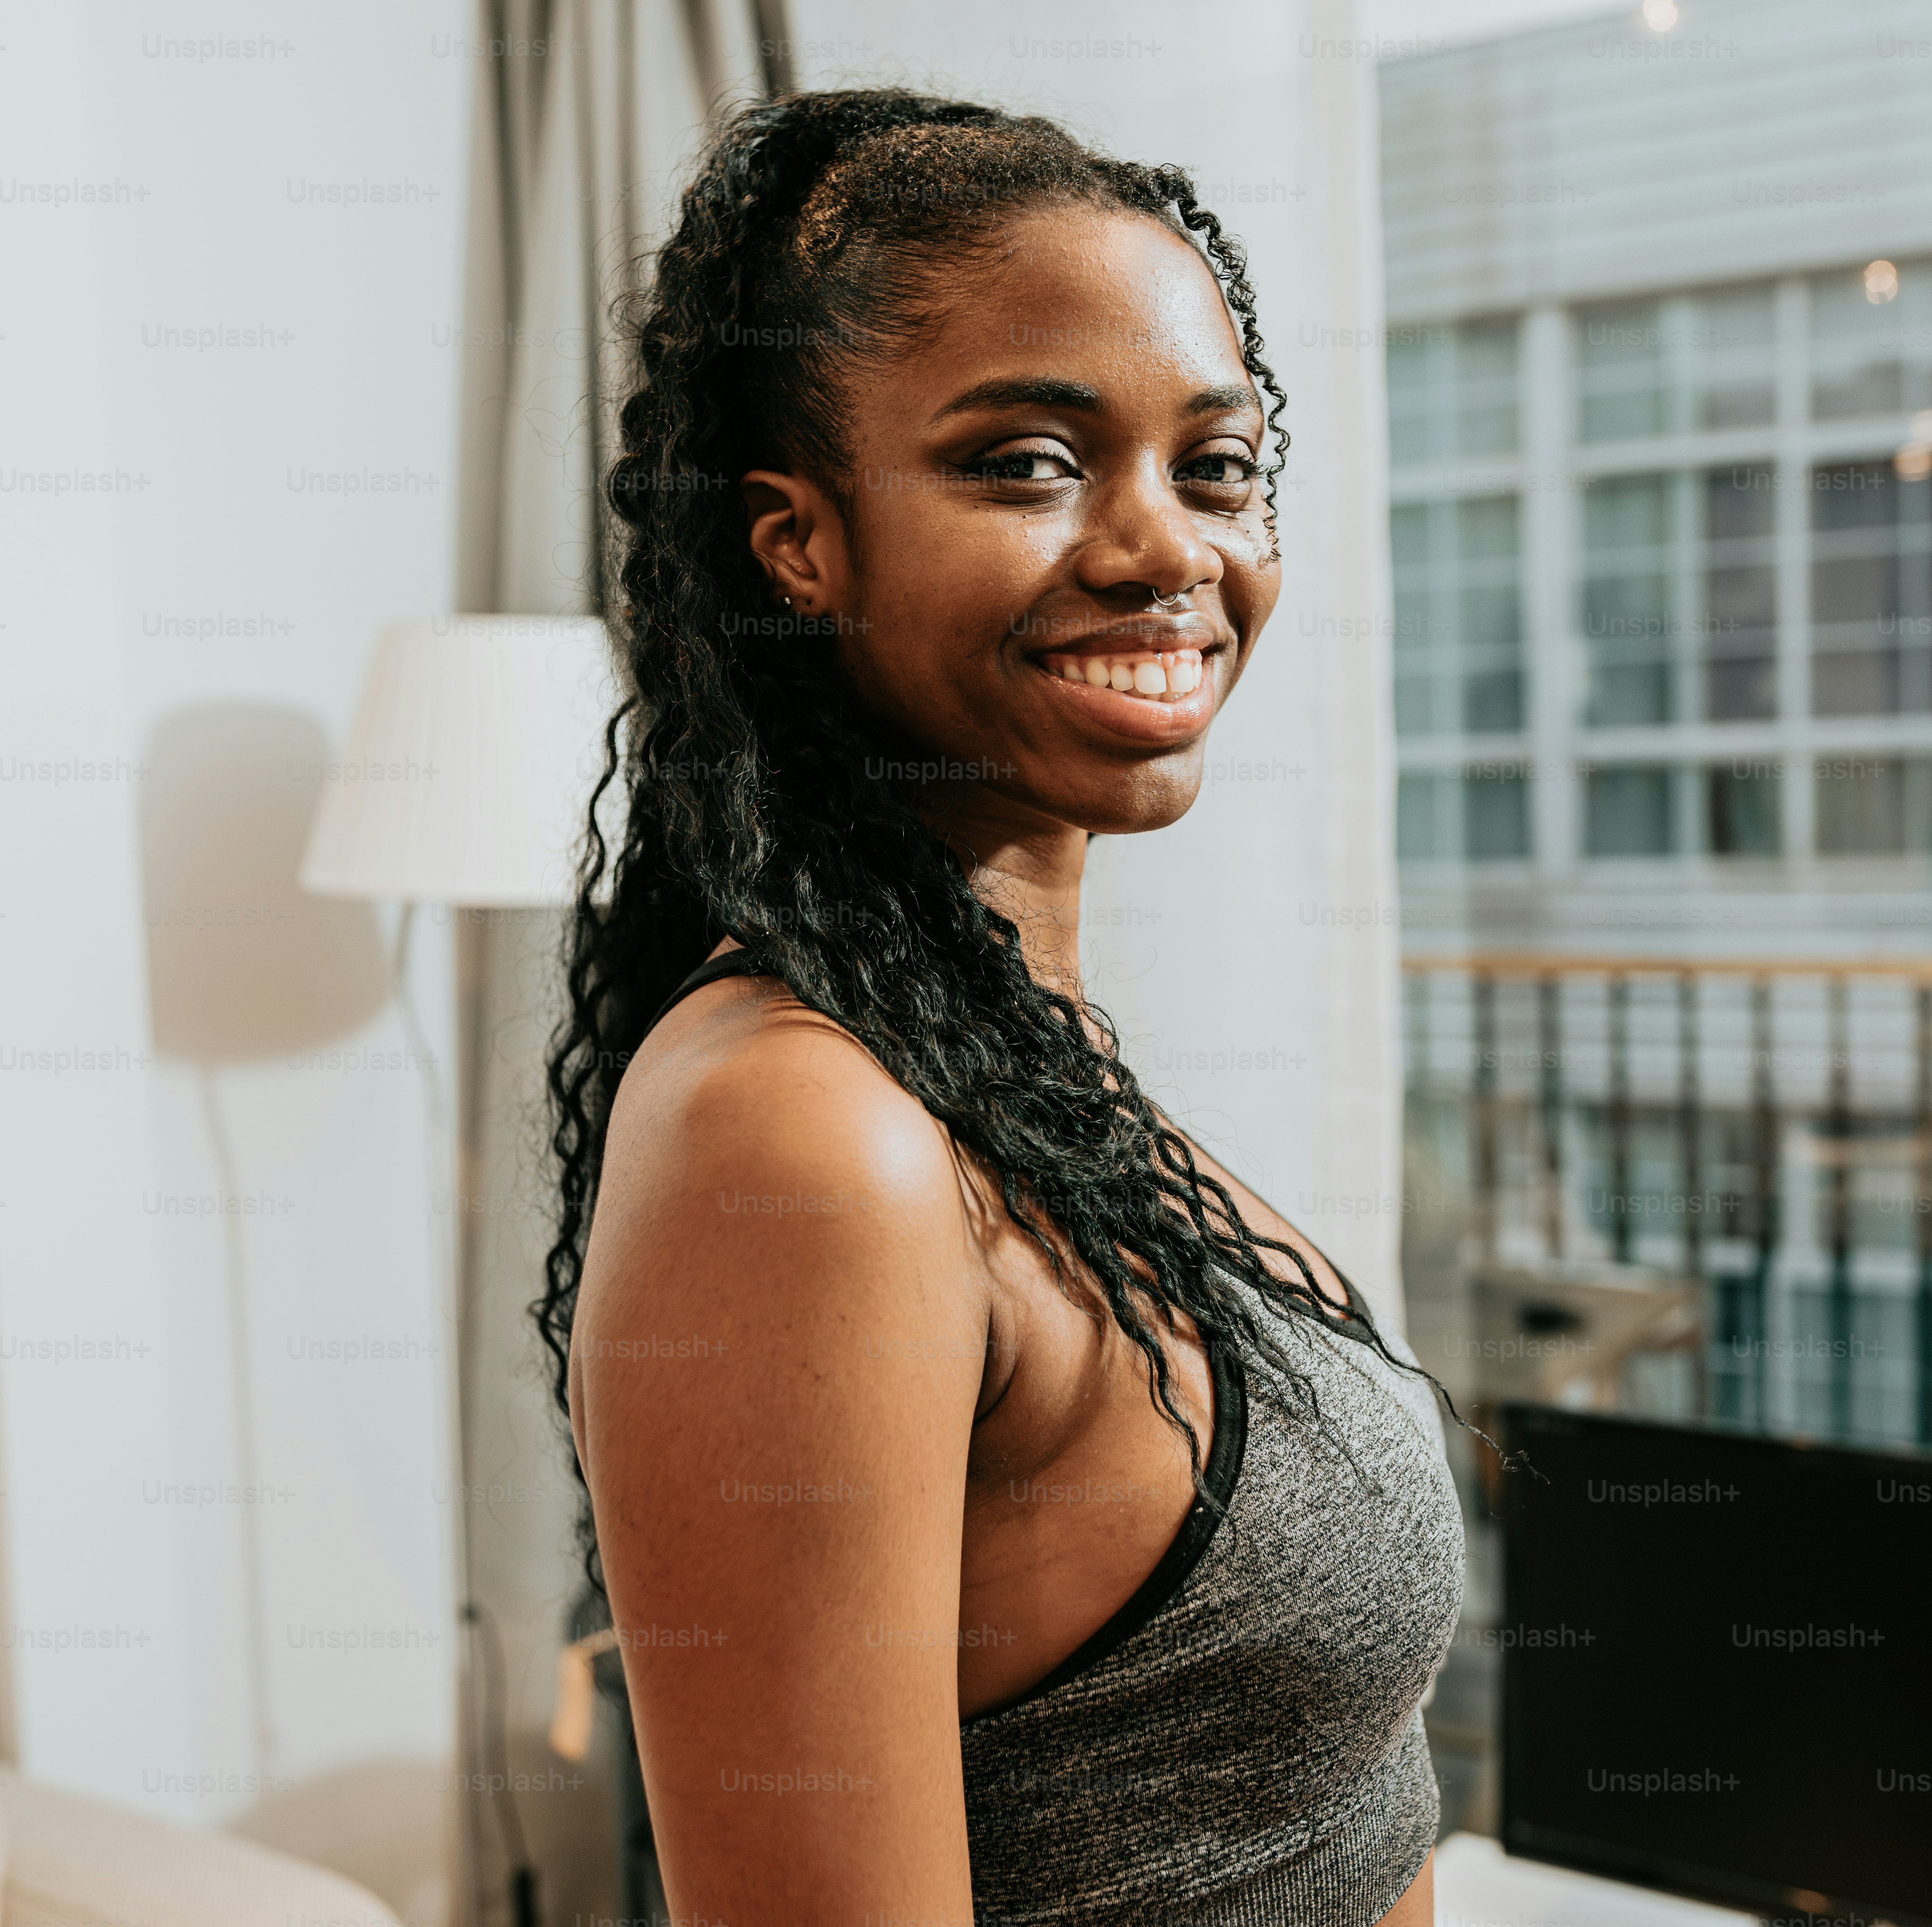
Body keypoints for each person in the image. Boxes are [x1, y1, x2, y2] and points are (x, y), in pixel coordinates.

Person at [539, 88, 1466, 1926]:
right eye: (1031, 463)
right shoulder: (800, 1131)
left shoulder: (1012, 1063)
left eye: (1215, 465)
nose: (1164, 547)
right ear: (795, 542)